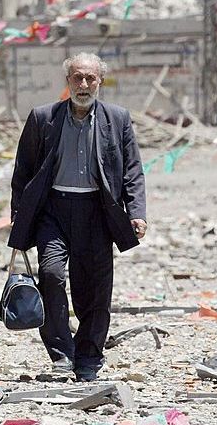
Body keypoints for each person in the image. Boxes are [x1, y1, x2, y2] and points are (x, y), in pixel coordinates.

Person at [8, 52, 146, 382]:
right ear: (67, 81)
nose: (83, 85)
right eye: (77, 78)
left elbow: (132, 171)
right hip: (53, 212)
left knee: (94, 289)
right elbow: (23, 169)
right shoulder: (43, 118)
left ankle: (88, 355)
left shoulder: (118, 119)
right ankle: (60, 354)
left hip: (98, 213)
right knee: (52, 275)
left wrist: (137, 213)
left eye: (90, 79)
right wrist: (19, 214)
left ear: (100, 81)